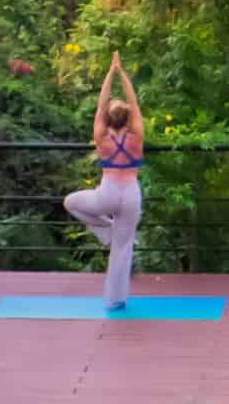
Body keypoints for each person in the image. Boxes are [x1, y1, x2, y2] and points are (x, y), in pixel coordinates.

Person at [64, 51, 144, 311]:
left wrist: (111, 72)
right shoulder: (136, 135)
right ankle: (115, 300)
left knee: (70, 203)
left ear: (108, 117)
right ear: (128, 116)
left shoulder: (101, 136)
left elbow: (101, 104)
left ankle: (106, 230)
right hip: (131, 193)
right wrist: (123, 74)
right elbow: (134, 101)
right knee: (122, 249)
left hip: (107, 193)